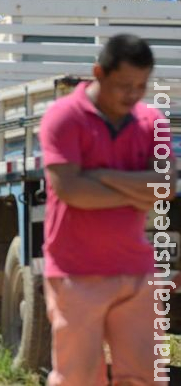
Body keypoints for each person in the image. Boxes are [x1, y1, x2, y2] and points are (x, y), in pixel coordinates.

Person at [39, 34, 176, 385]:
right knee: (78, 379)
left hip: (136, 274)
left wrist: (101, 176)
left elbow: (167, 188)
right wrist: (138, 189)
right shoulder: (63, 117)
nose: (133, 95)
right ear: (99, 73)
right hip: (74, 273)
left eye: (141, 86)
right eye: (124, 85)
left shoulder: (154, 124)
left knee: (146, 377)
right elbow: (70, 190)